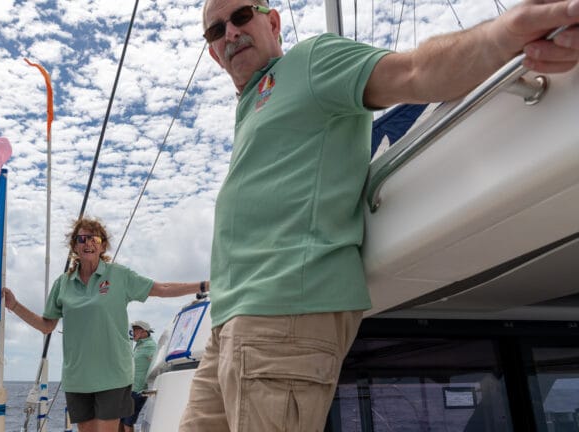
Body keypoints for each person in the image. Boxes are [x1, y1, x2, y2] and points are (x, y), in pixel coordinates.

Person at [180, 0, 579, 431]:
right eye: (216, 31)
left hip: (281, 312)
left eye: (241, 16)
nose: (230, 33)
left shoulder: (312, 61)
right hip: (227, 322)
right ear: (212, 52)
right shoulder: (252, 103)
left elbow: (413, 72)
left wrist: (501, 37)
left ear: (272, 21)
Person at [4, 217, 208, 432]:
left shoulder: (119, 275)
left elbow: (162, 288)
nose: (88, 243)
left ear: (102, 245)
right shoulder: (62, 283)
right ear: (74, 245)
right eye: (81, 238)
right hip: (78, 378)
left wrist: (205, 285)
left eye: (94, 238)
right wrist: (15, 305)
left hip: (113, 375)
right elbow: (47, 326)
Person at [120, 320, 157, 432]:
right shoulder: (138, 345)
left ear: (142, 331)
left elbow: (155, 362)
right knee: (120, 421)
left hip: (139, 390)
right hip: (129, 389)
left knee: (128, 422)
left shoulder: (151, 345)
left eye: (134, 330)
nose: (132, 333)